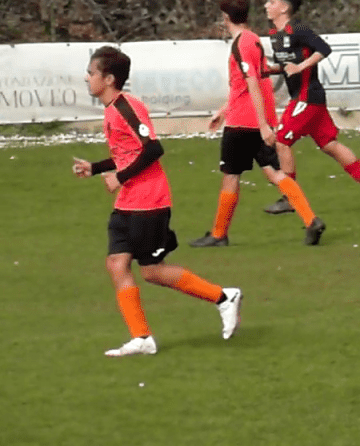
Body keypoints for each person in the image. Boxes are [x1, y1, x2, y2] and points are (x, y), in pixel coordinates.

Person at [72, 46, 243, 357]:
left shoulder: (126, 108)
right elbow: (129, 153)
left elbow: (153, 149)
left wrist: (119, 178)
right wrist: (95, 168)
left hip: (149, 201)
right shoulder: (113, 110)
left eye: (91, 72)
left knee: (151, 271)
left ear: (108, 79)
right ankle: (141, 338)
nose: (87, 77)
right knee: (116, 263)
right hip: (128, 203)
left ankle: (223, 297)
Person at [189, 0, 326, 247]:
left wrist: (261, 124)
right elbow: (252, 80)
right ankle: (311, 220)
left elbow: (252, 82)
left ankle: (219, 234)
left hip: (244, 123)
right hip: (254, 117)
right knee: (274, 172)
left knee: (230, 175)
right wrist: (223, 110)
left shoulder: (240, 43)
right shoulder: (253, 39)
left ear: (226, 17)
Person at [261, 0, 360, 215]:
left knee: (281, 141)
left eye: (271, 1)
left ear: (284, 7)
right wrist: (269, 70)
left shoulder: (299, 30)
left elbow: (324, 49)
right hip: (309, 99)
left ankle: (289, 196)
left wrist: (302, 66)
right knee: (329, 145)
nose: (266, 6)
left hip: (307, 97)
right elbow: (288, 67)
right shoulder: (277, 36)